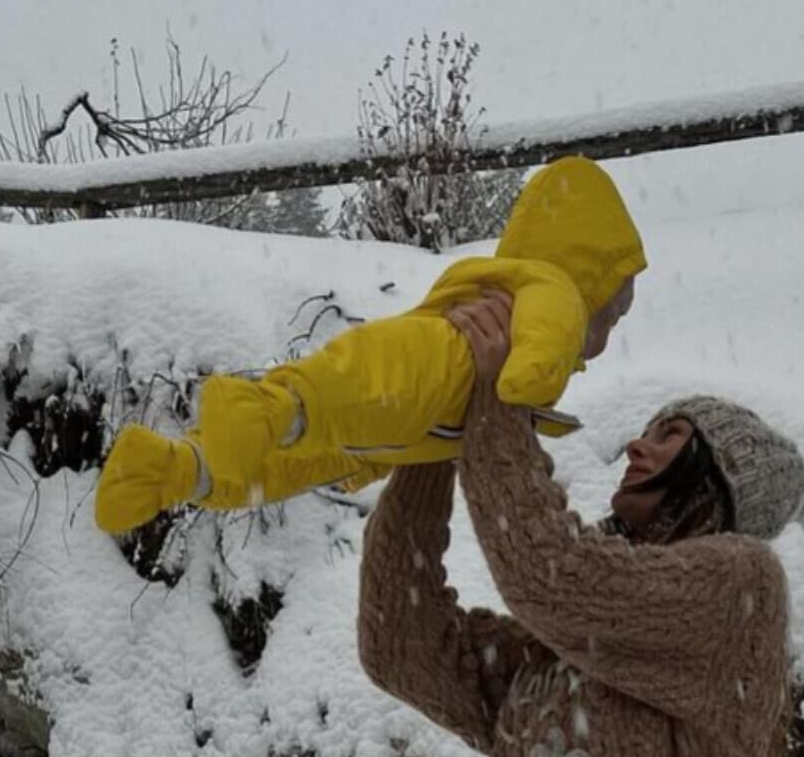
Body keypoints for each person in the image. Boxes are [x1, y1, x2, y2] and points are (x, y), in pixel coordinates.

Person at [356, 291, 804, 757]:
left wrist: (497, 402)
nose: (637, 445)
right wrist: (433, 447)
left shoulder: (741, 590)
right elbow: (401, 642)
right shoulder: (563, 648)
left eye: (670, 436)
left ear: (722, 477)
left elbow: (556, 576)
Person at [92, 155, 646, 534]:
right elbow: (545, 338)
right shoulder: (554, 290)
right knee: (357, 383)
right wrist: (525, 379)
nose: (608, 336)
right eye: (613, 316)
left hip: (403, 435)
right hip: (438, 363)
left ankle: (182, 470)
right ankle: (271, 406)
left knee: (306, 459)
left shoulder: (536, 301)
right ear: (589, 285)